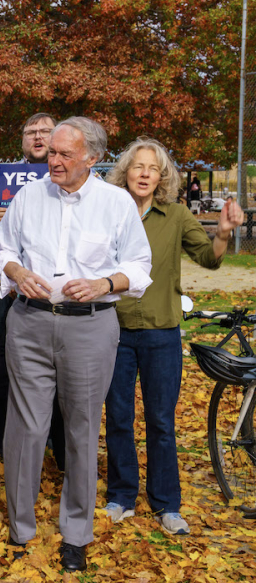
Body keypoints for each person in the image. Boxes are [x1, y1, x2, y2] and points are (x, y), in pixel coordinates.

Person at [0, 117, 152, 572]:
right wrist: (15, 272)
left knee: (82, 429)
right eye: (51, 152)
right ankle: (21, 529)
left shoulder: (116, 203)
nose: (53, 161)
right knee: (24, 429)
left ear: (92, 158)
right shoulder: (28, 196)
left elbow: (140, 267)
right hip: (29, 324)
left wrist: (104, 282)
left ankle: (76, 534)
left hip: (90, 328)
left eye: (64, 154)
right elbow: (1, 250)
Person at [102, 138, 244, 535]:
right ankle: (121, 495)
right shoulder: (108, 212)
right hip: (113, 329)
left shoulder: (177, 214)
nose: (145, 173)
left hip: (161, 333)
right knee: (118, 418)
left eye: (153, 168)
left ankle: (167, 504)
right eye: (138, 166)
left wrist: (224, 232)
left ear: (162, 177)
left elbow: (209, 259)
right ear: (125, 172)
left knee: (161, 421)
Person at [0, 112, 67, 473]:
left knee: (53, 368)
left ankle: (50, 443)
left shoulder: (68, 178)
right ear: (22, 140)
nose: (38, 138)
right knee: (4, 366)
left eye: (45, 132)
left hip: (51, 290)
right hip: (2, 288)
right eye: (31, 132)